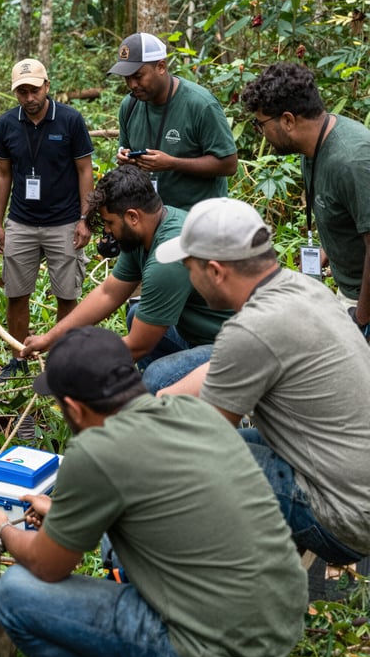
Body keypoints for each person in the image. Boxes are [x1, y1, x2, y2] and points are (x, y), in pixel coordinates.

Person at [0, 325, 307, 657]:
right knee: (113, 548)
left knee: (14, 595)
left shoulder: (97, 450)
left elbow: (49, 565)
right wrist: (65, 513)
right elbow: (164, 507)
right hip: (279, 641)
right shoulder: (192, 412)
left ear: (76, 409)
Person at [155, 197, 370, 563]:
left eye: (189, 268)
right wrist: (163, 396)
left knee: (176, 464)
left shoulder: (251, 330)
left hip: (345, 517)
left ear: (216, 271)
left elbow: (205, 440)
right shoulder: (303, 289)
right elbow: (220, 370)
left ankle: (203, 579)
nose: (188, 277)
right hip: (354, 479)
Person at [21, 165, 231, 392]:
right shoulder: (147, 228)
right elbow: (108, 293)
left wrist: (73, 369)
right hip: (200, 335)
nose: (108, 232)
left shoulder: (168, 258)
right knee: (136, 314)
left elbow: (138, 345)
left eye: (110, 223)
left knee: (156, 378)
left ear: (132, 216)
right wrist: (49, 339)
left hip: (234, 349)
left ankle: (164, 401)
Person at [241, 62, 370, 336]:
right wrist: (327, 250)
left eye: (260, 124)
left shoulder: (352, 160)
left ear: (288, 120)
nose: (261, 132)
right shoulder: (312, 148)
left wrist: (360, 319)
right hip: (350, 292)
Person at [0, 58, 94, 382]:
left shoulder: (69, 120)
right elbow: (3, 173)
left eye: (34, 89)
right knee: (16, 293)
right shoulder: (7, 124)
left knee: (67, 294)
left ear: (46, 86)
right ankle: (18, 359)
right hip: (21, 222)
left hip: (63, 222)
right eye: (21, 91)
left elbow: (84, 169)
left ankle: (61, 363)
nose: (29, 97)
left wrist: (85, 218)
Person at [109, 32, 238, 211]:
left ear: (161, 67)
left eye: (138, 76)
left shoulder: (200, 104)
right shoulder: (129, 105)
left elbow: (229, 164)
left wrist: (172, 163)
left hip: (200, 218)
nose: (132, 85)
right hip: (153, 220)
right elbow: (125, 150)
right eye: (127, 78)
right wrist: (124, 158)